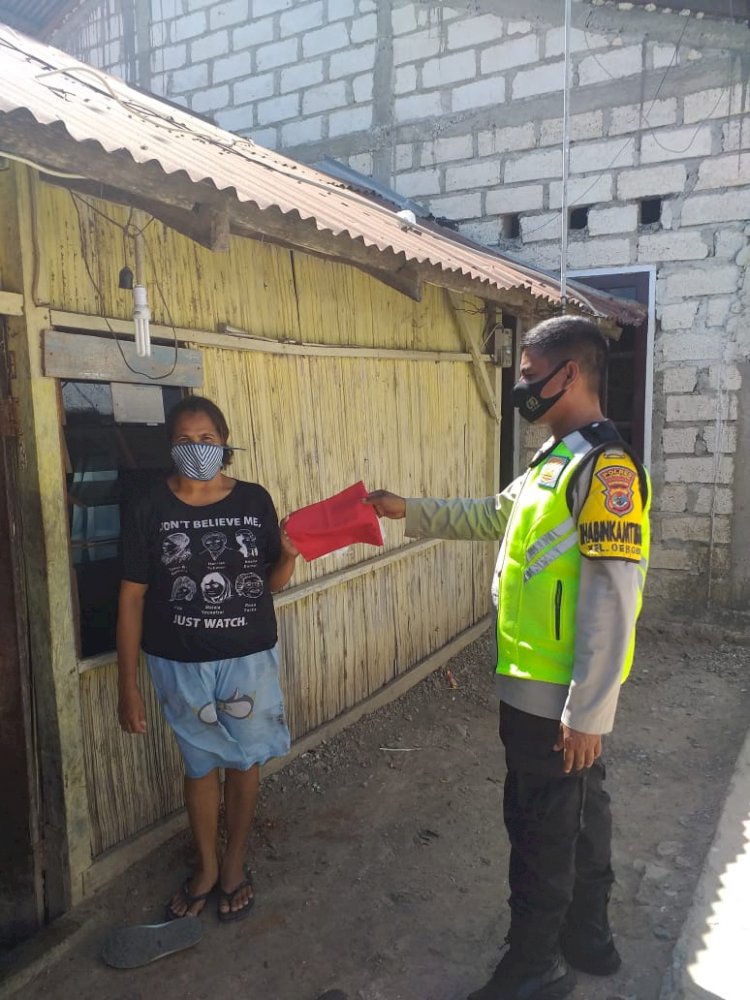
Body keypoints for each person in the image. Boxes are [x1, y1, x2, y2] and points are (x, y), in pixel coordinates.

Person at [365, 316, 650, 1000]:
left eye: (529, 376)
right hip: (530, 684)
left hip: (556, 696)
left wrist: (589, 712)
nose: (522, 387)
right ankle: (589, 937)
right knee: (579, 811)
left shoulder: (602, 469)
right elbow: (490, 516)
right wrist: (408, 509)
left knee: (539, 828)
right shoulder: (551, 462)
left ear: (570, 374)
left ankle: (535, 967)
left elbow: (614, 598)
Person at [117, 396, 299, 922]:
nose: (196, 448)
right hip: (178, 662)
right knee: (198, 766)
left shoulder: (254, 500)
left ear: (224, 442)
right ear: (169, 447)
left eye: (206, 439)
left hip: (248, 658)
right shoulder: (149, 507)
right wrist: (126, 685)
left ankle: (235, 861)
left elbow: (269, 584)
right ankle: (206, 867)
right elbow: (132, 597)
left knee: (245, 763)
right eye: (184, 439)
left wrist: (286, 555)